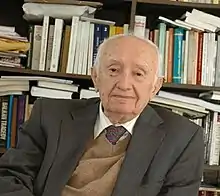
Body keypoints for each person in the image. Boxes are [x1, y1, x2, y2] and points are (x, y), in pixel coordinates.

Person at [0, 34, 204, 196]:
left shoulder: (182, 138)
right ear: (96, 77)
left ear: (155, 86)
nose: (124, 85)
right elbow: (11, 177)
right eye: (113, 70)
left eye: (138, 73)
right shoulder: (50, 116)